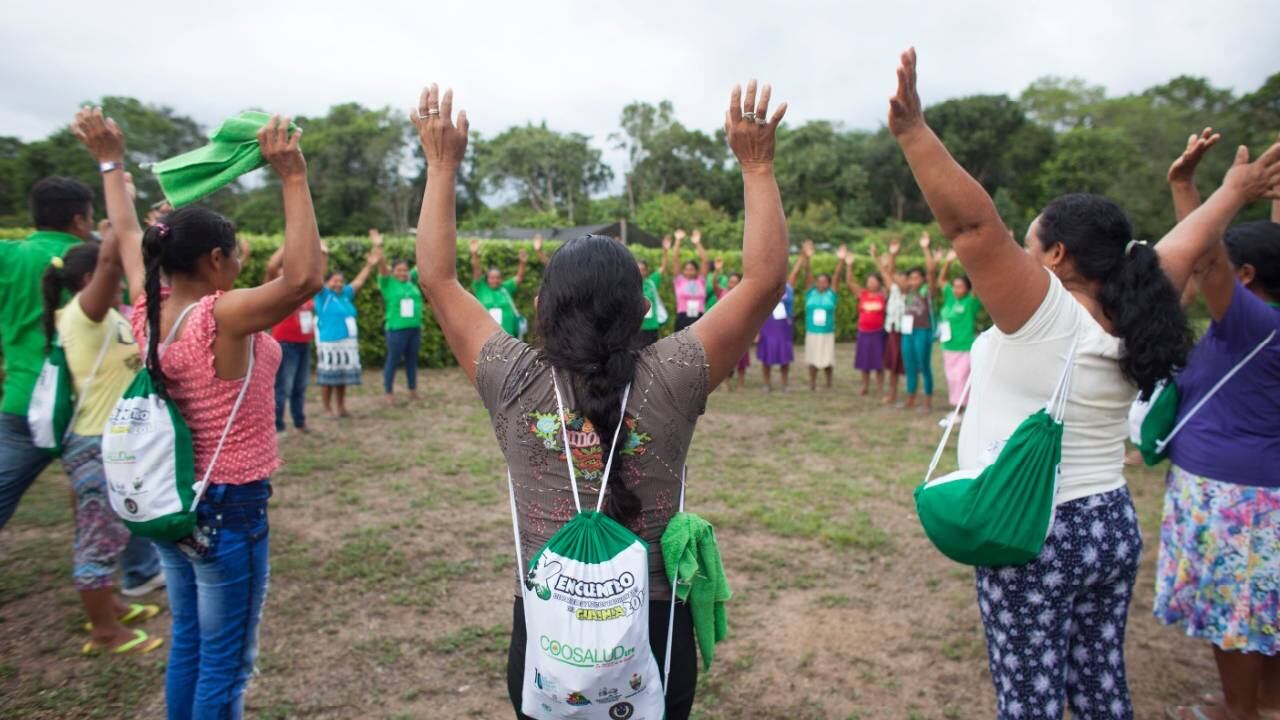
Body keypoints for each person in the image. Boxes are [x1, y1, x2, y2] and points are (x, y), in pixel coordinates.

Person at [888, 48, 1279, 718]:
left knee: (1030, 700)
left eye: (1032, 244)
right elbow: (1190, 241)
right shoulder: (1141, 303)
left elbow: (973, 229)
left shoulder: (1049, 317)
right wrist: (1233, 194)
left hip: (1036, 532)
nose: (1022, 257)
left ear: (1057, 255)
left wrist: (914, 133)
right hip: (1110, 525)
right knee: (1099, 689)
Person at [407, 79, 788, 720]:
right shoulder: (677, 373)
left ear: (540, 309)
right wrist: (757, 165)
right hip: (657, 638)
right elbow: (765, 280)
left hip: (546, 635)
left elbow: (438, 280)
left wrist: (441, 166)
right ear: (642, 309)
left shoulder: (512, 377)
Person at [119, 114, 323, 719]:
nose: (240, 264)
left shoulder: (146, 308)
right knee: (226, 663)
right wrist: (292, 175)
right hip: (227, 507)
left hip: (177, 498)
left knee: (189, 642)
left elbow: (134, 238)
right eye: (235, 255)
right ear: (213, 260)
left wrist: (111, 167)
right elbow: (306, 276)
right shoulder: (220, 316)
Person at [1154, 127, 1280, 720]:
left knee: (1238, 613)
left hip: (1233, 495)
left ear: (1248, 275)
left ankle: (1241, 712)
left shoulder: (1253, 328)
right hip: (1258, 489)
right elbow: (1211, 256)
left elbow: (1205, 258)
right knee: (1264, 608)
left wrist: (1188, 187)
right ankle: (1268, 702)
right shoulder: (1262, 328)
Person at [0, 177, 97, 529]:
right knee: (111, 490)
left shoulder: (7, 256)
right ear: (78, 220)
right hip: (87, 406)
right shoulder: (95, 266)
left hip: (23, 399)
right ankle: (138, 569)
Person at [314, 232, 381, 418]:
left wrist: (369, 265)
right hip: (330, 343)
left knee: (342, 378)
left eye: (341, 281)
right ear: (328, 282)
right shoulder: (323, 296)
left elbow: (359, 281)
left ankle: (341, 407)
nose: (338, 283)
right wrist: (324, 255)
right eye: (335, 280)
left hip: (346, 344)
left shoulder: (344, 295)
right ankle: (326, 408)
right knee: (328, 379)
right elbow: (318, 277)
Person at [264, 245, 317, 437]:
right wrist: (289, 245)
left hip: (303, 342)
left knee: (300, 386)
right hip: (285, 343)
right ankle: (278, 425)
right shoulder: (275, 289)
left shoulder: (300, 290)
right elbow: (271, 267)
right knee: (283, 387)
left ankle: (299, 422)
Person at [936, 248, 982, 416]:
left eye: (960, 286)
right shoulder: (949, 297)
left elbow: (977, 284)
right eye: (955, 286)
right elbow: (941, 280)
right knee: (952, 379)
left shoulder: (971, 301)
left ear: (967, 288)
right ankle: (957, 407)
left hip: (964, 347)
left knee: (963, 379)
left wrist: (973, 263)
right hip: (949, 346)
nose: (956, 289)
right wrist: (947, 262)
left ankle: (963, 410)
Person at [377, 249, 424, 405]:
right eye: (399, 270)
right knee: (393, 360)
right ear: (393, 271)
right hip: (396, 330)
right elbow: (382, 266)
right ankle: (389, 392)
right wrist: (378, 248)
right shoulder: (388, 282)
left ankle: (412, 390)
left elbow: (423, 262)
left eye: (405, 270)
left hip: (414, 328)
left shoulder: (411, 281)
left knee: (412, 360)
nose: (403, 273)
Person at [841, 244, 887, 396]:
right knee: (864, 362)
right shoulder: (863, 294)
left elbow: (888, 278)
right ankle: (865, 386)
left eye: (874, 281)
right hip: (864, 333)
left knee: (879, 362)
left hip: (878, 333)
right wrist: (849, 265)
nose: (871, 283)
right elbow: (849, 282)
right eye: (869, 281)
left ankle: (880, 387)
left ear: (879, 283)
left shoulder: (884, 295)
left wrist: (879, 260)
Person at [797, 239, 842, 391]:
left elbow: (837, 277)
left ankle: (829, 382)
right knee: (812, 359)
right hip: (812, 331)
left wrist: (841, 261)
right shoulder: (811, 293)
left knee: (827, 359)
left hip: (827, 332)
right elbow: (807, 273)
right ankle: (812, 383)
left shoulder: (832, 294)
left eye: (824, 282)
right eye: (819, 281)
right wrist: (807, 257)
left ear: (828, 284)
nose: (821, 283)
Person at [756, 254, 803, 392]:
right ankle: (766, 384)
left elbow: (796, 272)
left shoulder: (788, 287)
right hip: (767, 325)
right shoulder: (764, 288)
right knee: (766, 356)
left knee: (784, 357)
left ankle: (785, 383)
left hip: (783, 327)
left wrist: (803, 257)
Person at [469, 236, 532, 338]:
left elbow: (519, 277)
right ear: (487, 279)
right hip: (486, 337)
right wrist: (474, 254)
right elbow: (476, 271)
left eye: (497, 278)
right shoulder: (481, 288)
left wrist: (522, 263)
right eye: (492, 278)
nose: (495, 280)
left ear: (501, 279)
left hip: (507, 337)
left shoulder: (505, 288)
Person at [637, 235, 673, 346]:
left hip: (652, 327)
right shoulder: (629, 284)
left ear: (647, 271)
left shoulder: (652, 282)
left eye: (643, 270)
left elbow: (663, 267)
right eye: (638, 270)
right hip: (637, 328)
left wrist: (665, 250)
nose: (641, 272)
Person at [671, 228, 709, 331]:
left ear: (696, 271)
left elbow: (705, 260)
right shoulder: (679, 281)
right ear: (683, 271)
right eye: (686, 269)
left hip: (699, 318)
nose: (689, 271)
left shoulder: (701, 281)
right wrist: (678, 241)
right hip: (683, 317)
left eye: (691, 269)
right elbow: (675, 258)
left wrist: (697, 243)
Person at [724, 272, 750, 391]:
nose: (733, 284)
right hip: (726, 331)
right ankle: (726, 383)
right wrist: (717, 272)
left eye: (736, 282)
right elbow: (714, 285)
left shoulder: (746, 296)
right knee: (725, 359)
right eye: (731, 282)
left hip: (742, 332)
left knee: (742, 360)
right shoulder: (723, 294)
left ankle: (741, 384)